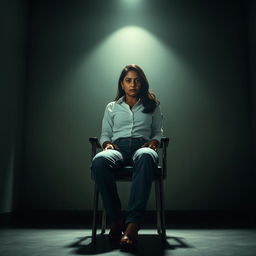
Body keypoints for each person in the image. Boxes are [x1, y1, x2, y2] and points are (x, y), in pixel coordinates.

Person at [91, 64, 163, 250]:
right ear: (122, 84)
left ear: (142, 83)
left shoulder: (152, 105)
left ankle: (132, 225)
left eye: (137, 80)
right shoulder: (112, 107)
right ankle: (116, 219)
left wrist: (154, 142)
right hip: (119, 148)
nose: (133, 84)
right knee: (99, 161)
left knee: (147, 155)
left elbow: (157, 132)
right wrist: (106, 144)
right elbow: (105, 134)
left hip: (142, 146)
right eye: (128, 80)